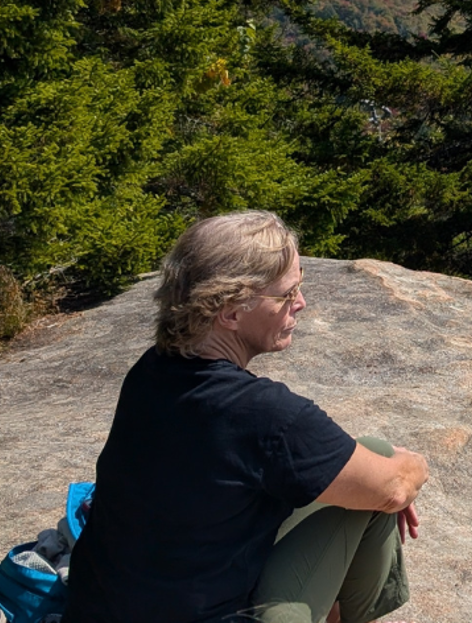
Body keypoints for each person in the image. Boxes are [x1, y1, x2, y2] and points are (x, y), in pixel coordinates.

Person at [63, 211, 430, 623]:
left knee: (373, 457)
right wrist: (414, 467)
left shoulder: (151, 371)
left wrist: (381, 472)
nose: (302, 304)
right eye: (287, 294)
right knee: (381, 484)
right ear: (231, 313)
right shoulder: (268, 416)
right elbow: (393, 489)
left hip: (96, 609)